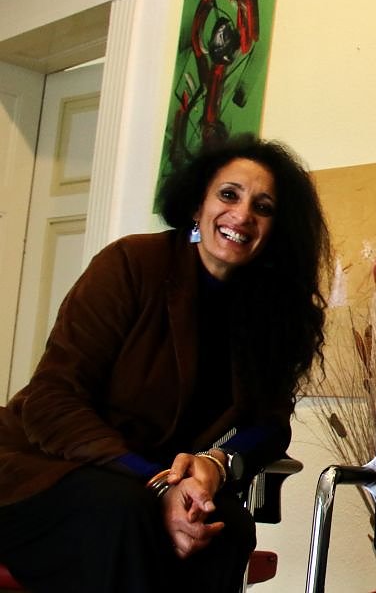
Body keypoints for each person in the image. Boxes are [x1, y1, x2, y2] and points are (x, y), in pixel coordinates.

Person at [0, 135, 330, 592]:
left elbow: (269, 425)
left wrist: (217, 463)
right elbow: (51, 401)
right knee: (124, 511)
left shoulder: (275, 309)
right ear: (197, 204)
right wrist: (158, 485)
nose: (242, 215)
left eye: (263, 207)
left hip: (153, 482)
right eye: (228, 195)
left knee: (228, 527)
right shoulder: (132, 263)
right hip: (41, 471)